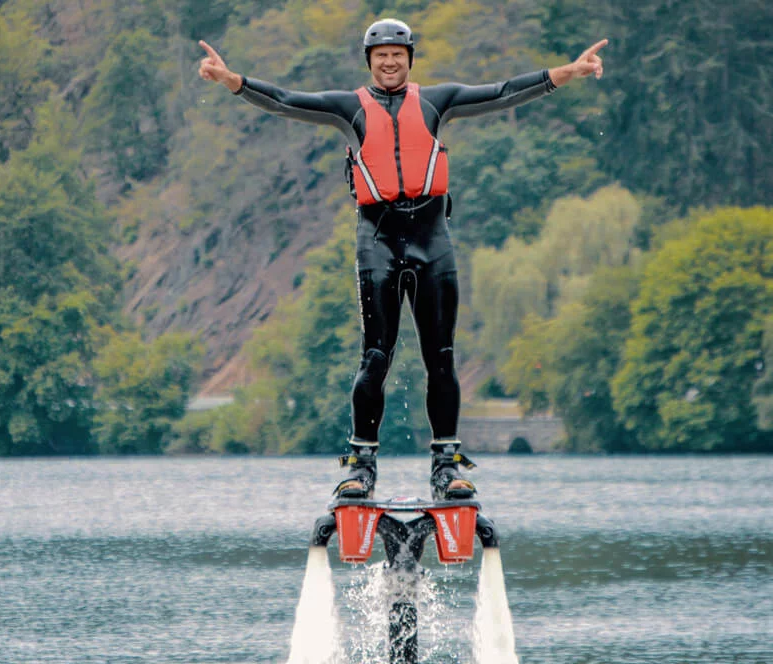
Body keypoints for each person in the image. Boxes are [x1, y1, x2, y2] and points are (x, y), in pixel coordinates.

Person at [198, 19, 607, 501]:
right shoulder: (348, 108)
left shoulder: (438, 101)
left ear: (410, 58)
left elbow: (503, 91)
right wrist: (233, 83)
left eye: (397, 54)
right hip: (378, 240)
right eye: (380, 56)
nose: (389, 62)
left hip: (433, 239)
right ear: (368, 62)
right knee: (375, 356)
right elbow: (287, 100)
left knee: (442, 357)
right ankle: (361, 466)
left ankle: (446, 465)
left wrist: (570, 72)